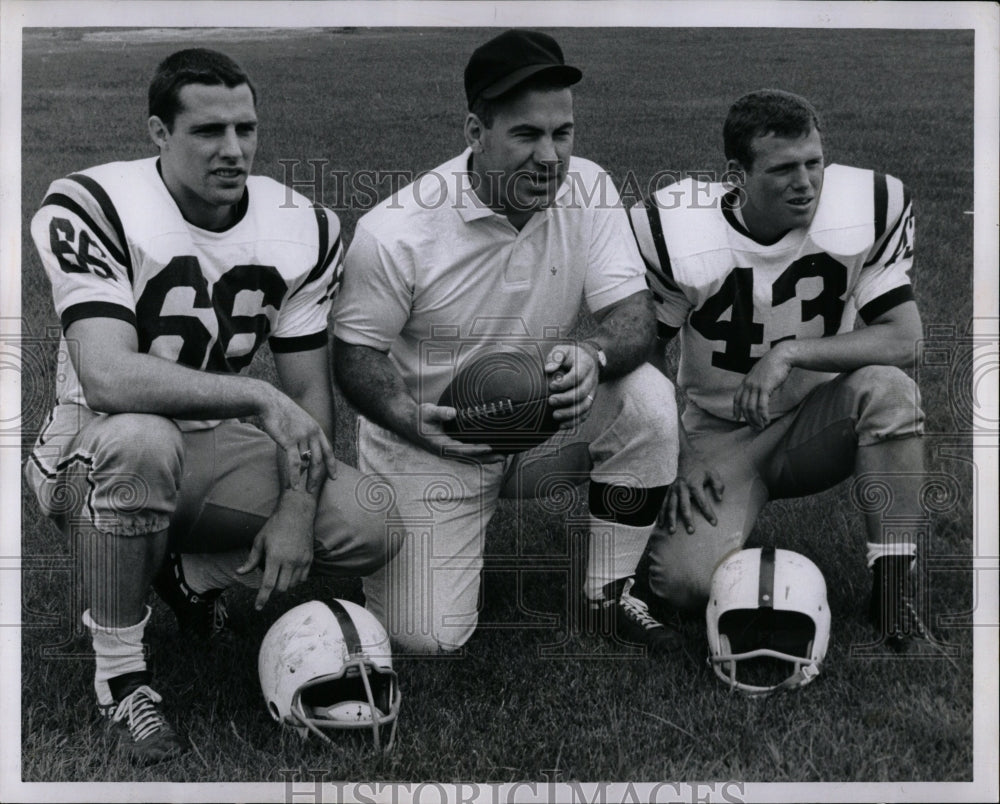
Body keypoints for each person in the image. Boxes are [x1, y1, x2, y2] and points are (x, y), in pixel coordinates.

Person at [25, 48, 398, 764]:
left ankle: (185, 579)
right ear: (159, 134)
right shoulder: (92, 201)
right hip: (91, 445)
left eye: (246, 129)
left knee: (368, 520)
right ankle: (121, 674)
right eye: (208, 131)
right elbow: (105, 376)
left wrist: (295, 505)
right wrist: (254, 395)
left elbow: (309, 394)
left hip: (209, 441)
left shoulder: (304, 227)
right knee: (141, 442)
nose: (233, 150)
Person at [332, 29, 679, 655]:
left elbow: (635, 317)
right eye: (526, 135)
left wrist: (593, 357)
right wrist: (411, 418)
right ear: (475, 132)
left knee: (647, 399)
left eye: (562, 134)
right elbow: (355, 358)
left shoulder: (590, 188)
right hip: (433, 435)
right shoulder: (397, 230)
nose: (550, 156)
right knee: (426, 639)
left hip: (542, 416)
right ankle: (415, 550)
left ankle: (607, 591)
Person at [629, 88, 932, 650]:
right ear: (737, 175)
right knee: (685, 586)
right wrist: (681, 457)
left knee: (891, 391)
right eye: (784, 168)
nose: (806, 182)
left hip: (820, 416)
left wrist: (789, 353)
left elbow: (905, 339)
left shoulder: (864, 208)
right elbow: (642, 355)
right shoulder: (677, 230)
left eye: (814, 162)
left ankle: (891, 591)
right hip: (721, 434)